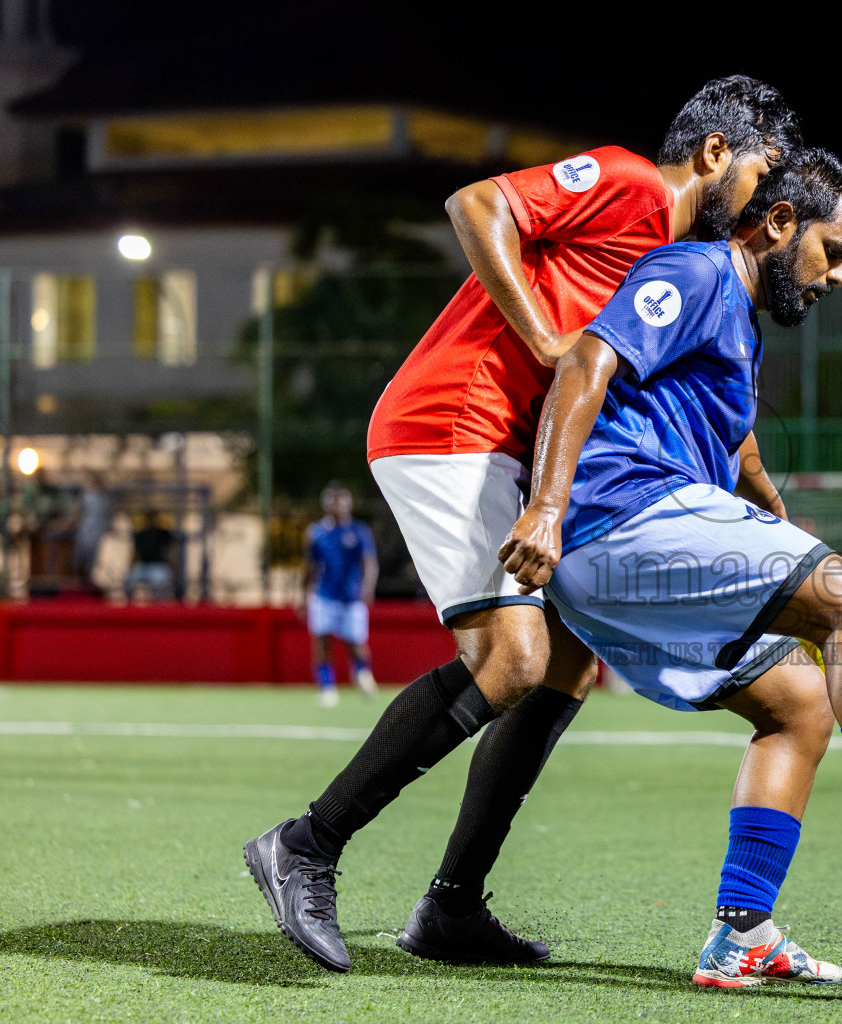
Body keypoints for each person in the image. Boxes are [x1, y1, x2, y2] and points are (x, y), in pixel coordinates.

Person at [244, 77, 804, 973]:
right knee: (513, 660)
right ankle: (307, 844)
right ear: (712, 155)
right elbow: (476, 205)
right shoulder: (629, 180)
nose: (764, 199)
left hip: (503, 443)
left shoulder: (677, 259)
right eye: (761, 171)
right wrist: (547, 339)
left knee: (570, 664)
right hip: (450, 421)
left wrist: (762, 498)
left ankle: (451, 907)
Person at [500, 149, 842, 988]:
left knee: (798, 704)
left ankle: (740, 933)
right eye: (835, 254)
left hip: (625, 555)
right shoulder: (697, 270)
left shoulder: (739, 323)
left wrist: (769, 513)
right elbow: (584, 362)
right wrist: (544, 507)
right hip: (617, 519)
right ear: (781, 223)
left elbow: (726, 439)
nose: (839, 279)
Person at [302, 483, 379, 707]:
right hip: (323, 595)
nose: (340, 505)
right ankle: (327, 688)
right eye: (335, 500)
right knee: (322, 641)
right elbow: (309, 567)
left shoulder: (359, 531)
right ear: (326, 504)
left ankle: (362, 673)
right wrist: (302, 597)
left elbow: (369, 563)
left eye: (344, 500)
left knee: (356, 642)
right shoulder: (316, 532)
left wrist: (368, 586)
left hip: (351, 597)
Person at [124, 510, 177, 603]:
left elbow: (170, 552)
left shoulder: (164, 534)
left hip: (159, 566)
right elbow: (135, 553)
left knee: (161, 583)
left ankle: (160, 605)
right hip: (143, 565)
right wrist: (130, 567)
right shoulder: (140, 535)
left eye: (154, 519)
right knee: (128, 580)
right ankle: (128, 603)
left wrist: (172, 566)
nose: (151, 522)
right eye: (149, 519)